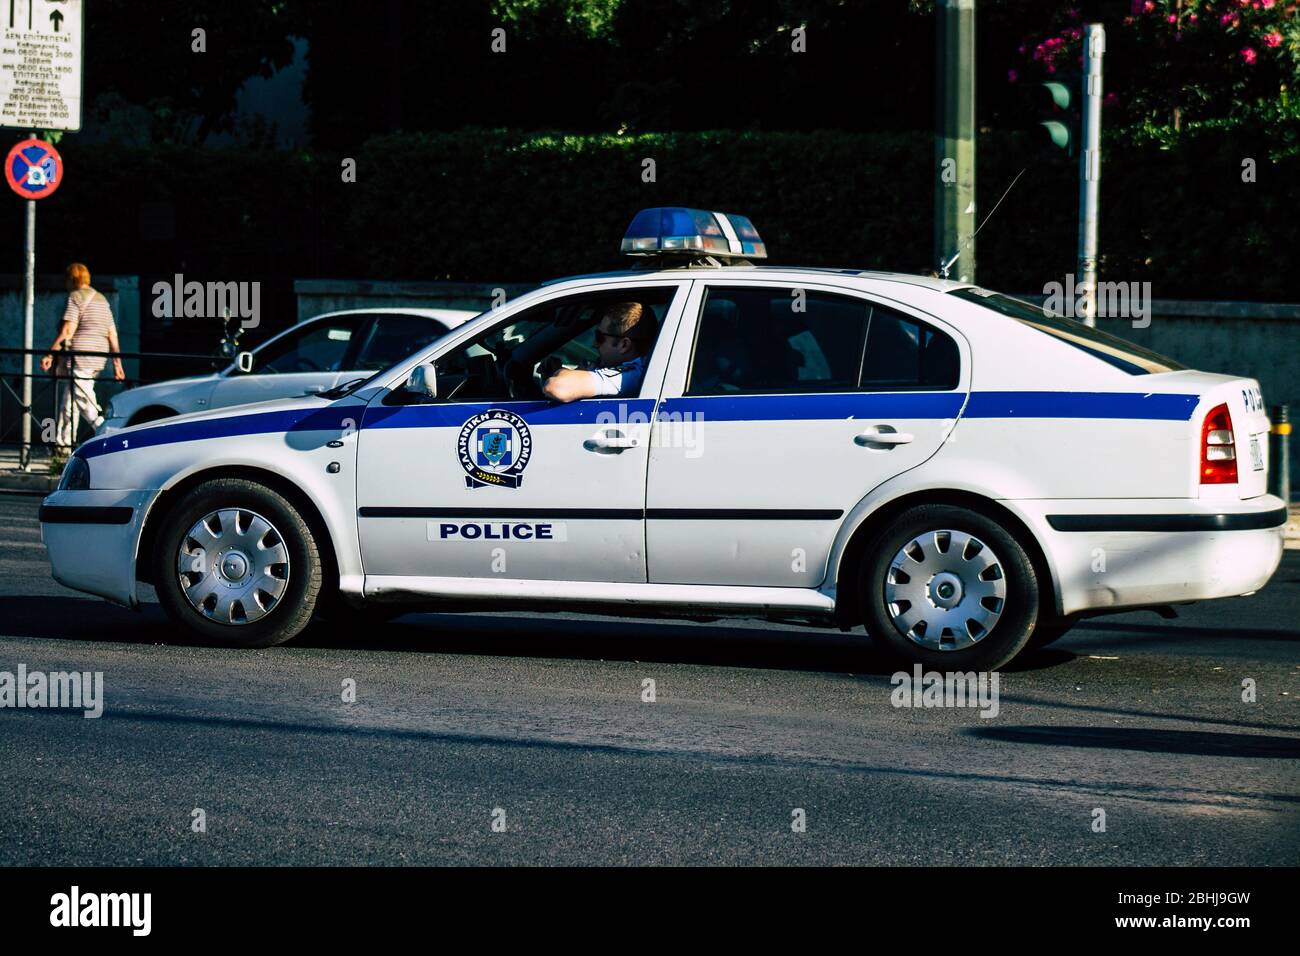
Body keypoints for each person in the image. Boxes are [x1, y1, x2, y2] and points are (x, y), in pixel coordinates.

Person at [39, 263, 125, 451]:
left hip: (81, 358)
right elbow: (112, 334)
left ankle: (109, 435)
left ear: (72, 279)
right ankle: (62, 446)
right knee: (69, 403)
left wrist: (50, 353)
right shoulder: (102, 300)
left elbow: (67, 330)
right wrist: (117, 364)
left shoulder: (75, 297)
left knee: (85, 402)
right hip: (97, 358)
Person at [541, 302, 657, 403]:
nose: (594, 344)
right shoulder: (646, 369)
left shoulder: (630, 375)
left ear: (624, 345)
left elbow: (556, 387)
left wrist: (572, 372)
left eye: (599, 337)